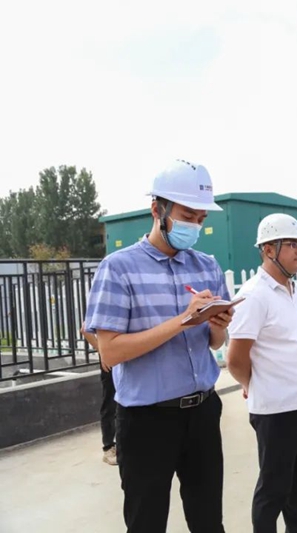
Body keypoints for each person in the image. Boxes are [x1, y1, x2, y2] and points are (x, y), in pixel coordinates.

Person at [84, 159, 231, 533]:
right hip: (146, 421)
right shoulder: (119, 268)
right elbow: (110, 352)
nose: (194, 225)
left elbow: (215, 342)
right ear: (157, 209)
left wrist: (217, 326)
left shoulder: (207, 266)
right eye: (187, 215)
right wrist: (182, 320)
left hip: (202, 412)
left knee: (209, 521)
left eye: (201, 218)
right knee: (146, 522)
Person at [226, 213, 297, 533]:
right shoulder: (254, 295)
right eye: (291, 244)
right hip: (277, 409)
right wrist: (252, 384)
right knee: (274, 488)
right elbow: (235, 358)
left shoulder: (296, 289)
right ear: (268, 249)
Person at [80, 321, 117, 465]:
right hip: (112, 360)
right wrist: (103, 352)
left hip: (129, 358)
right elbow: (85, 329)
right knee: (110, 402)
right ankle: (109, 446)